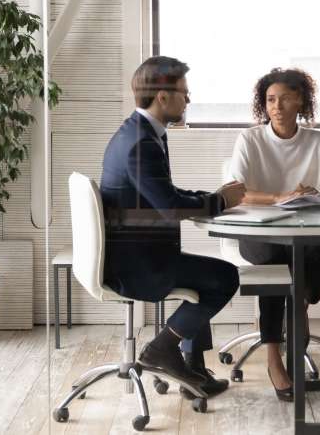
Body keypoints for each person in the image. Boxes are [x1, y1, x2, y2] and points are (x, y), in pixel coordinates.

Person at [100, 56, 246, 397]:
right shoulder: (141, 144)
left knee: (205, 273)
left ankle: (191, 368)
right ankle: (162, 350)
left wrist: (212, 197)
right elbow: (168, 207)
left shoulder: (141, 133)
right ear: (162, 96)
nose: (189, 99)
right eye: (184, 92)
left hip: (139, 254)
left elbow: (165, 195)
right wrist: (220, 202)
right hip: (138, 266)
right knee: (224, 277)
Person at [228, 67, 320, 402]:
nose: (276, 106)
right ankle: (273, 358)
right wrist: (279, 198)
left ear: (300, 101)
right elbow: (236, 192)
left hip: (304, 232)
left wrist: (315, 193)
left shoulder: (318, 141)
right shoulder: (250, 140)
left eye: (284, 98)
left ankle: (302, 305)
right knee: (275, 267)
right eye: (270, 99)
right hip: (259, 234)